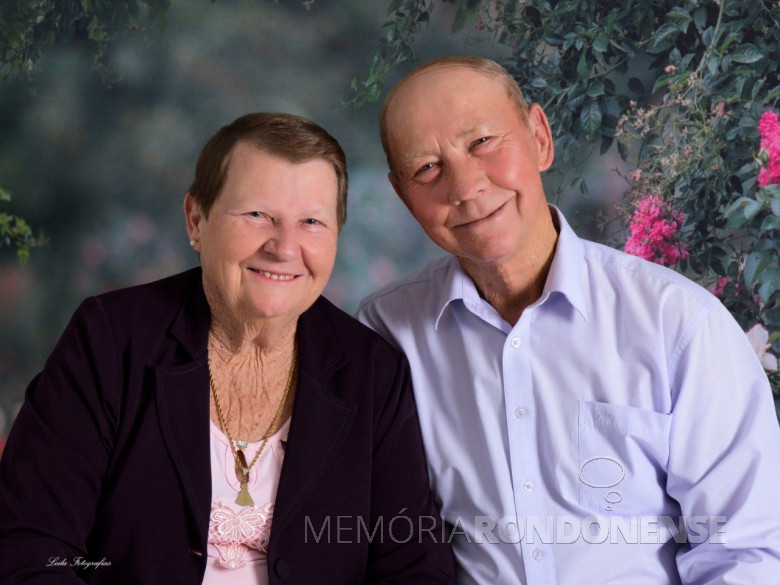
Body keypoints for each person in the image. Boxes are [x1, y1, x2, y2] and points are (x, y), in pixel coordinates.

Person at [357, 56, 780, 584]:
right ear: (402, 195)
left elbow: (744, 554)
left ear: (540, 137)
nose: (464, 187)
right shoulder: (386, 334)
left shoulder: (678, 324)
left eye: (482, 142)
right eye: (427, 168)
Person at [0, 112, 455, 584]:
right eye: (258, 215)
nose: (284, 247)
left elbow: (414, 567)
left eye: (312, 222)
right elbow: (32, 548)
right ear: (196, 219)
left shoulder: (372, 372)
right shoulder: (111, 340)